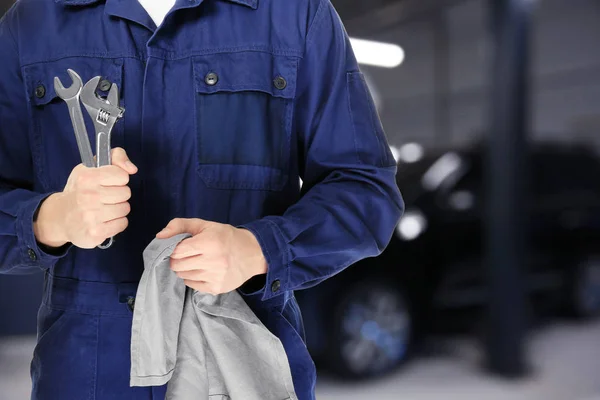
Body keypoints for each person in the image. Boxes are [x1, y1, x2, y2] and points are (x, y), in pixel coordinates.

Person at [0, 0, 404, 398]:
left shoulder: (296, 14)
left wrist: (260, 249)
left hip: (242, 366)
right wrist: (50, 219)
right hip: (84, 373)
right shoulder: (32, 23)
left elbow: (366, 188)